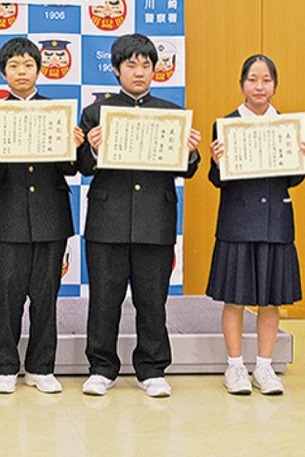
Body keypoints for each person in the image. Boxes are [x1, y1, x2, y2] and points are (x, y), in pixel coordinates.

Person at [77, 33, 202, 398]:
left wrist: (190, 152)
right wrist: (93, 148)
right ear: (117, 70)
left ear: (155, 70)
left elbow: (188, 170)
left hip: (155, 219)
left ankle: (152, 368)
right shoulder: (95, 113)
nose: (139, 71)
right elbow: (81, 167)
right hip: (106, 220)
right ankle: (101, 367)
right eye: (131, 64)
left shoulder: (171, 113)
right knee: (104, 298)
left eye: (146, 65)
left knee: (152, 299)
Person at [0, 37, 83, 394]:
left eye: (27, 65)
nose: (21, 72)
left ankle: (41, 367)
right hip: (8, 218)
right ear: (3, 72)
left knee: (45, 295)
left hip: (51, 217)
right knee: (8, 296)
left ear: (39, 69)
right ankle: (6, 366)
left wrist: (75, 145)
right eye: (13, 66)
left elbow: (71, 169)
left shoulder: (59, 113)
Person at [207, 54, 305, 396]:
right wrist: (216, 161)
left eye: (266, 80)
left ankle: (264, 367)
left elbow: (292, 180)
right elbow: (217, 180)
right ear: (242, 85)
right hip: (237, 220)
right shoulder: (225, 124)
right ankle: (235, 366)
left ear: (275, 85)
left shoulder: (288, 126)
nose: (259, 86)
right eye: (252, 79)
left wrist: (304, 159)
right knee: (234, 299)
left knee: (271, 300)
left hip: (275, 221)